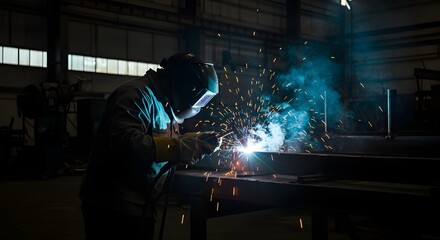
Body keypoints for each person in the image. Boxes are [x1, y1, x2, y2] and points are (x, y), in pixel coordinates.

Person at [79, 53, 221, 240]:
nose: (196, 107)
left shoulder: (165, 103)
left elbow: (157, 141)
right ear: (182, 84)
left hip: (142, 206)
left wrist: (193, 141)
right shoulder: (135, 95)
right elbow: (127, 143)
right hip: (114, 208)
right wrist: (181, 147)